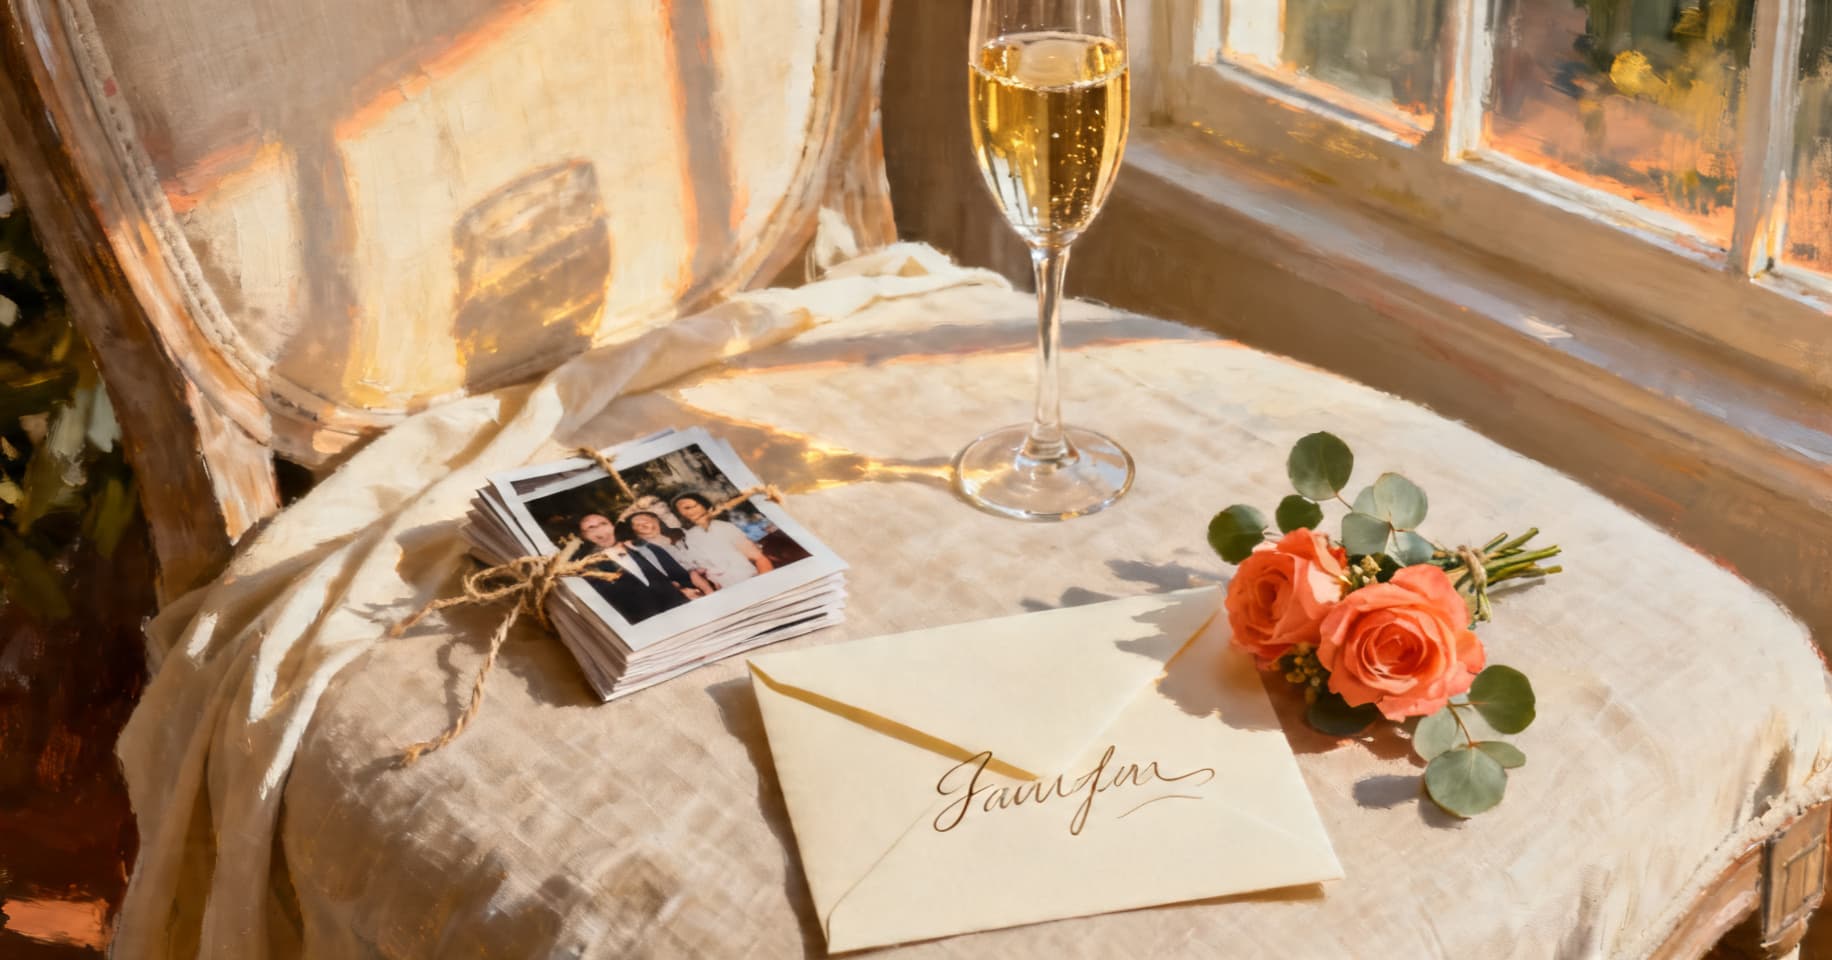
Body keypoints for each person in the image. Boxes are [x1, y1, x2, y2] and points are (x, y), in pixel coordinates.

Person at [575, 513, 691, 624]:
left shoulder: (643, 547)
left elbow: (680, 575)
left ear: (613, 525)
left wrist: (687, 589)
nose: (599, 529)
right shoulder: (591, 568)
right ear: (585, 536)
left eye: (603, 524)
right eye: (590, 527)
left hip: (682, 609)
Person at [671, 492, 773, 588]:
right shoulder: (690, 537)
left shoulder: (725, 528)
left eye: (696, 505)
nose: (693, 510)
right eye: (687, 508)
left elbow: (760, 559)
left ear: (705, 506)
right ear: (680, 515)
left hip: (751, 582)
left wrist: (765, 585)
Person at [625, 510, 717, 597]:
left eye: (646, 521)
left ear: (656, 520)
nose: (643, 526)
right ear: (633, 530)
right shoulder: (642, 552)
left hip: (714, 574)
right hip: (684, 589)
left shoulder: (680, 533)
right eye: (637, 525)